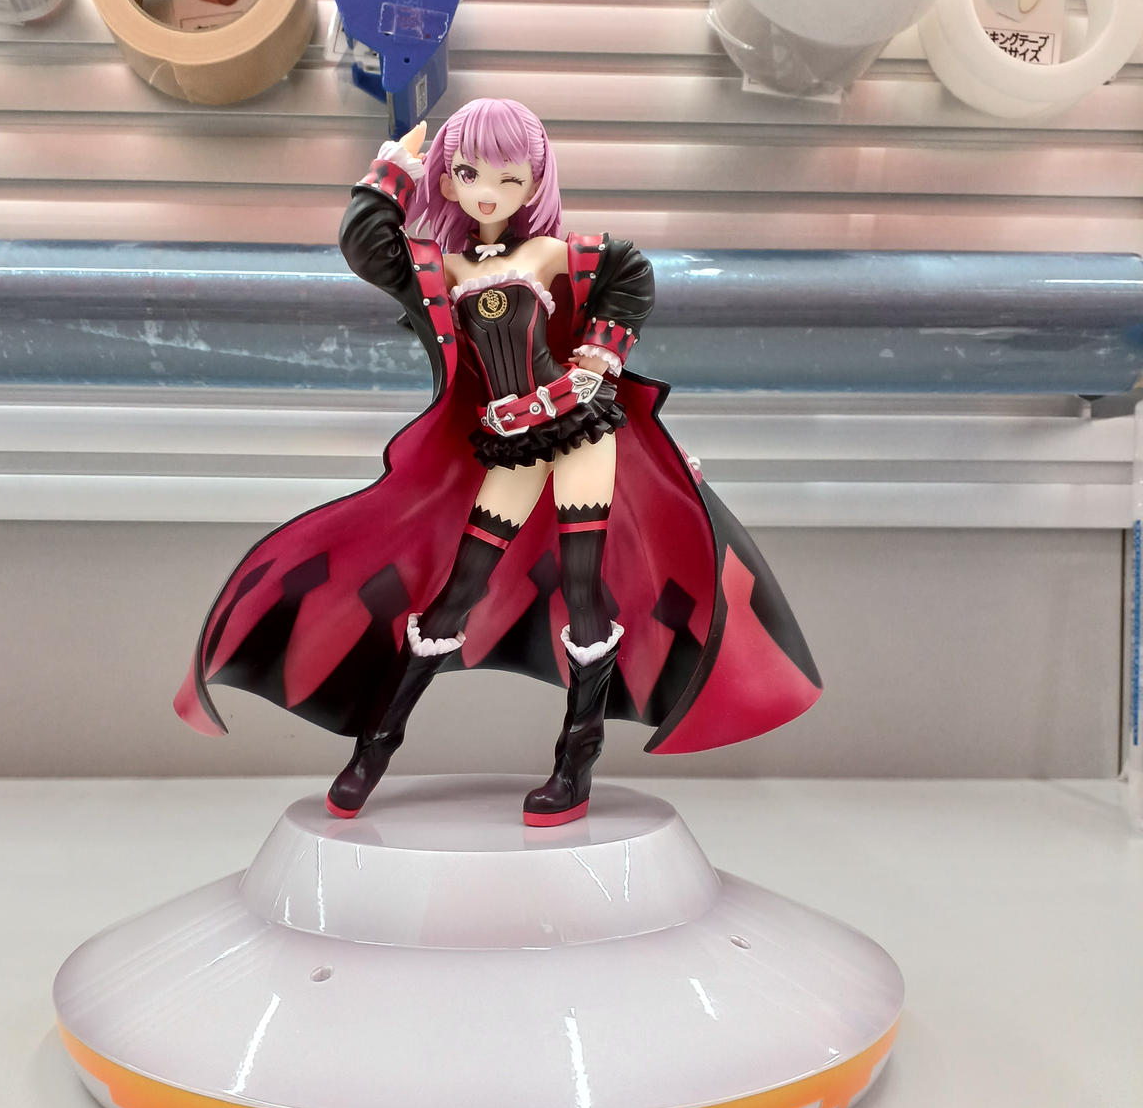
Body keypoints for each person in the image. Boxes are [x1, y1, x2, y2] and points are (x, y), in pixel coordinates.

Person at [174, 98, 821, 826]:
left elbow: (632, 268)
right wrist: (395, 168)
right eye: (470, 173)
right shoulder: (445, 269)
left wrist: (597, 359)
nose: (489, 191)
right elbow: (369, 249)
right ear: (449, 181)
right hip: (509, 442)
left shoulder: (546, 255)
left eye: (510, 178)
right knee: (456, 591)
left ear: (534, 183)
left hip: (579, 431)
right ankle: (374, 749)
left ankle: (576, 762)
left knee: (584, 589)